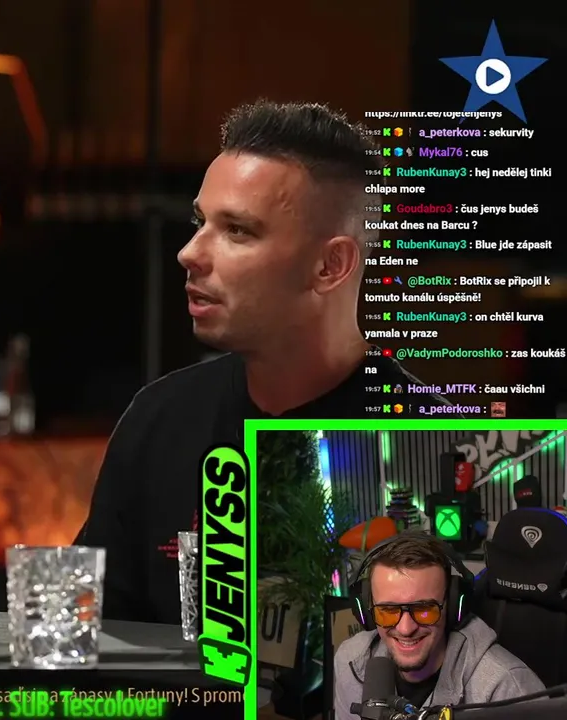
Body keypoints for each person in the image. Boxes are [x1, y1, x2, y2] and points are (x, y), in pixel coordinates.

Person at [76, 100, 451, 623]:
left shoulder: (431, 444)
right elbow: (90, 629)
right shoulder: (158, 418)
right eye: (200, 221)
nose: (189, 252)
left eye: (237, 230)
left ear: (330, 265)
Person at [332, 534, 543, 717]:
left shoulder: (507, 688)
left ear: (452, 607)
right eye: (388, 610)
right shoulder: (350, 660)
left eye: (424, 609)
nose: (406, 629)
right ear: (366, 611)